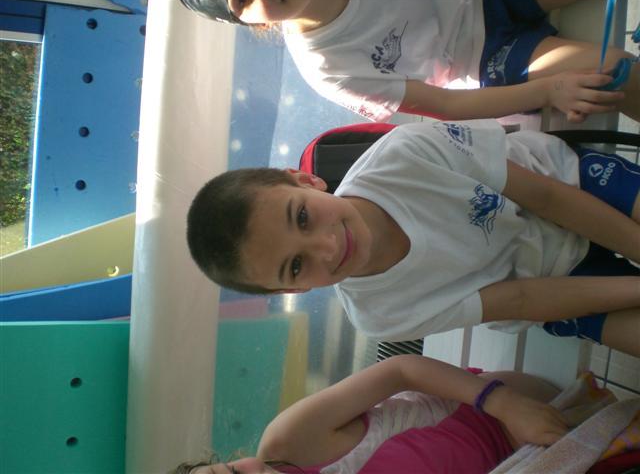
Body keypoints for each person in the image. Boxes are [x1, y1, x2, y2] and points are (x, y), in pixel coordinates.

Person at [186, 119, 640, 357]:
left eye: (302, 217)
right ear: (293, 291)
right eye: (297, 266)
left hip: (569, 186)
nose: (328, 247)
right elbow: (521, 298)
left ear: (306, 180)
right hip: (548, 281)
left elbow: (546, 196)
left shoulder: (404, 152)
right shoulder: (379, 316)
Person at [177, 0, 638, 123]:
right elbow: (447, 105)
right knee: (618, 76)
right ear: (249, 22)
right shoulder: (326, 69)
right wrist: (547, 91)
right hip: (486, 57)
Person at [174, 354, 567, 474]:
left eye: (232, 473)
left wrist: (504, 404)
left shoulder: (290, 441)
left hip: (498, 417)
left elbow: (399, 371)